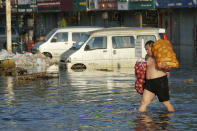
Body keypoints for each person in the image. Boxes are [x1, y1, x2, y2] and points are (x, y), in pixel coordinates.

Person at [138, 40, 175, 112]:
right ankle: (141, 121)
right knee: (143, 103)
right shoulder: (147, 57)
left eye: (147, 49)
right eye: (146, 49)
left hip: (160, 82)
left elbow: (169, 69)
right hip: (149, 83)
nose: (146, 51)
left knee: (166, 104)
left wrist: (165, 67)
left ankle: (171, 117)